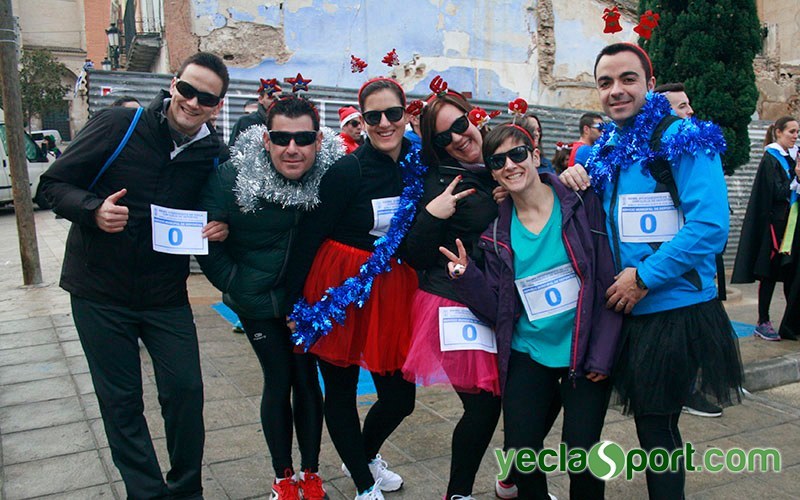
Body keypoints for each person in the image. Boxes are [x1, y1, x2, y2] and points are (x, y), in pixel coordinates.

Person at [36, 52, 230, 499]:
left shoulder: (213, 155)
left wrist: (221, 225)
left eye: (205, 98)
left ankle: (186, 490)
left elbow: (220, 211)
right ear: (173, 84)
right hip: (98, 291)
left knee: (185, 392)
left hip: (165, 295)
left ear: (217, 105)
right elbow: (52, 185)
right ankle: (146, 493)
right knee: (121, 402)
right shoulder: (119, 126)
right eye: (187, 89)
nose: (193, 102)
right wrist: (93, 210)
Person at [560, 43, 742, 498]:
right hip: (620, 310)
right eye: (605, 82)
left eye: (628, 79)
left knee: (657, 432)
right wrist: (568, 179)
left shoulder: (683, 137)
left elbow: (710, 226)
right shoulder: (606, 147)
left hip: (673, 310)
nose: (616, 91)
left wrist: (645, 277)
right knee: (635, 429)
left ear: (651, 84)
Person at [446, 123, 621, 500]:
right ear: (493, 174)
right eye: (498, 161)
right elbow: (498, 309)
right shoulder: (496, 234)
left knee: (582, 454)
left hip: (583, 350)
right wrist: (467, 277)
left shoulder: (581, 203)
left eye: (517, 154)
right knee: (522, 452)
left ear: (535, 155)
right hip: (529, 352)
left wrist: (602, 354)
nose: (510, 165)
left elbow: (607, 279)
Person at [197, 96, 343, 499]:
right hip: (256, 302)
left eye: (303, 139)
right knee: (278, 379)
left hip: (307, 303)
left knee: (307, 381)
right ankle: (283, 476)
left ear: (318, 140)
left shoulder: (333, 175)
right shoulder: (233, 175)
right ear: (266, 139)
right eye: (281, 138)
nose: (292, 148)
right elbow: (206, 236)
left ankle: (310, 473)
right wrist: (236, 285)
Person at [286, 77, 420, 500]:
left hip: (392, 289)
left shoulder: (419, 162)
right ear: (362, 120)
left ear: (406, 114)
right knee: (341, 390)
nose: (384, 123)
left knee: (400, 398)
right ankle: (364, 486)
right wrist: (294, 304)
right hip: (340, 287)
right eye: (373, 116)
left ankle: (363, 456)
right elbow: (310, 236)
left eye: (392, 113)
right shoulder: (347, 170)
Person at [401, 87, 502, 500]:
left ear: (473, 116)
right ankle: (458, 493)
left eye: (460, 125)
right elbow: (415, 254)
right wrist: (431, 214)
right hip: (454, 299)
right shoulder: (442, 181)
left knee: (527, 397)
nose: (458, 138)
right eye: (444, 137)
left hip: (500, 298)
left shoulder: (499, 161)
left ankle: (513, 482)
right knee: (483, 404)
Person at [732, 116, 799, 340]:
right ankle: (763, 321)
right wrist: (796, 178)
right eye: (791, 131)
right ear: (778, 132)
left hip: (790, 226)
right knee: (768, 273)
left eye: (797, 132)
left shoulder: (791, 157)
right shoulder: (771, 158)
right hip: (774, 228)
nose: (795, 136)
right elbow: (776, 192)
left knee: (791, 274)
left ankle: (792, 322)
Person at [229, 77, 281, 146]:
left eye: (279, 97)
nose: (276, 101)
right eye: (271, 97)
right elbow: (231, 150)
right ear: (261, 99)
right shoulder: (244, 122)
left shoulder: (287, 123)